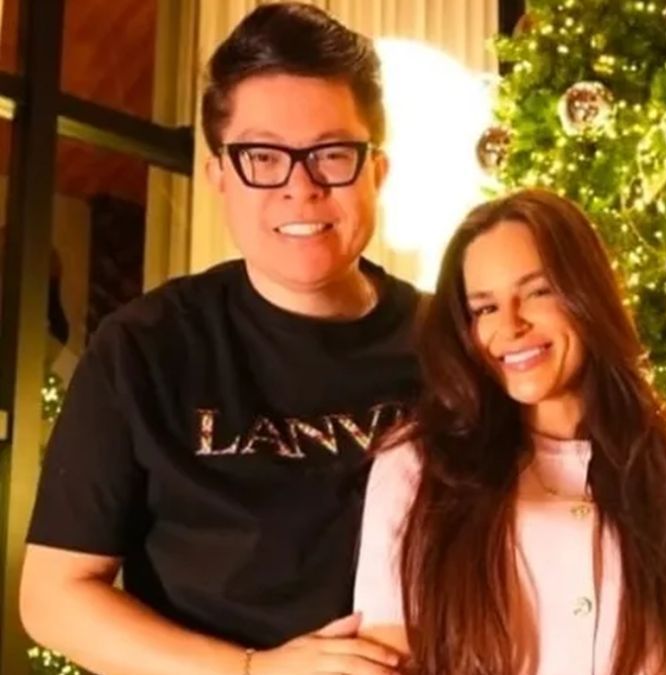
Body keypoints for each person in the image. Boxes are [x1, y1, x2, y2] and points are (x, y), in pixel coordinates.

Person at [21, 4, 416, 674]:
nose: (301, 187)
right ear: (219, 177)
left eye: (331, 154)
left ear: (376, 171)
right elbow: (54, 597)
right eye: (263, 156)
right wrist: (253, 670)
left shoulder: (455, 340)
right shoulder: (144, 347)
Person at [354, 188, 666, 675]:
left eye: (538, 292)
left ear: (588, 295)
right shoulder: (416, 469)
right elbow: (383, 663)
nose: (511, 325)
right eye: (485, 308)